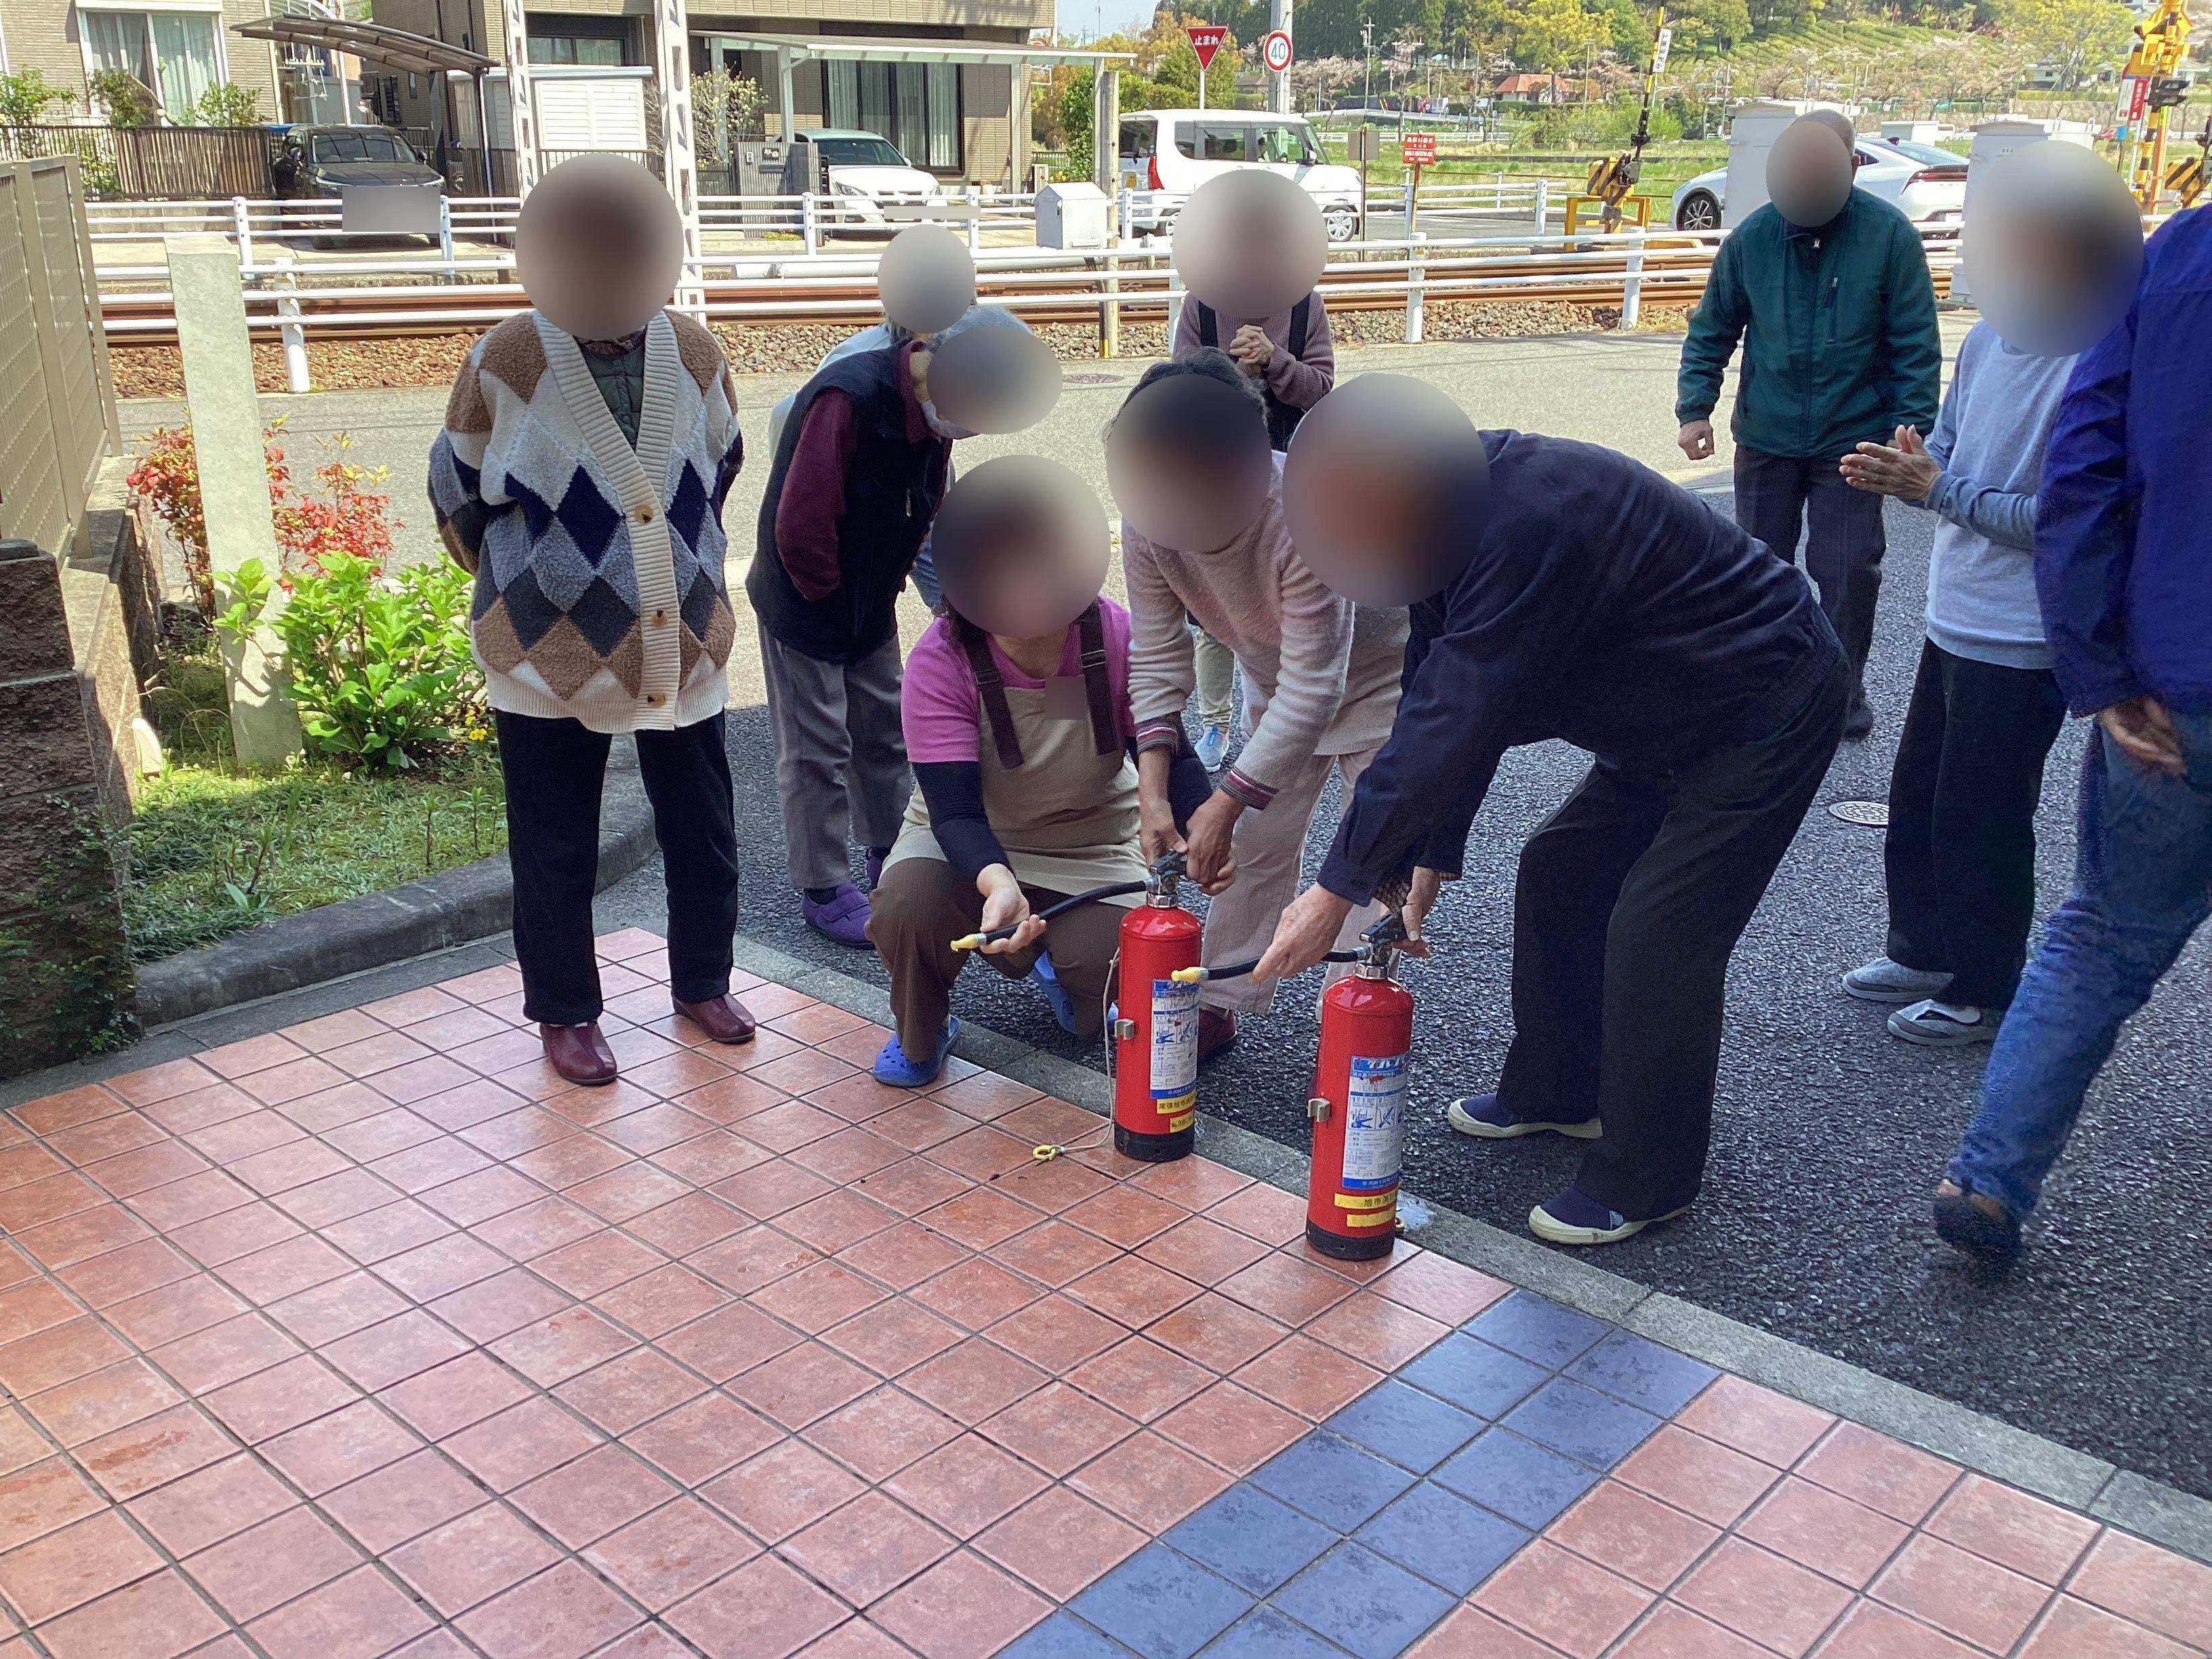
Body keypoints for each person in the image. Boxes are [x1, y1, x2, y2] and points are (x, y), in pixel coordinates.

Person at [1256, 377, 1849, 1247]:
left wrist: (1336, 887)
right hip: (1660, 716)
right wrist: (1423, 854)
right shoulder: (1431, 512)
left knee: (1659, 932)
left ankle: (1648, 1177)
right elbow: (1434, 689)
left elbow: (1465, 707)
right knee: (1561, 868)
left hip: (1763, 705)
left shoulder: (1528, 521)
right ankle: (1560, 1090)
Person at [427, 156, 754, 1086]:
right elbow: (457, 492)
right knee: (554, 844)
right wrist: (539, 582)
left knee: (705, 831)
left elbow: (721, 466)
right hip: (543, 651)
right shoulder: (505, 358)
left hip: (681, 638)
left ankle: (703, 982)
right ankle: (566, 1013)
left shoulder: (697, 353)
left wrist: (669, 565)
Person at [1935, 207, 2212, 1265]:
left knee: (2103, 934)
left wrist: (2101, 672)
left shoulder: (2172, 259)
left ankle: (1987, 1182)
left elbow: (2081, 472)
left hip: (2175, 678)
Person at [866, 465, 1213, 1084]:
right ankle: (923, 1028)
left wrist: (1206, 828)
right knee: (907, 904)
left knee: (1120, 965)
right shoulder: (941, 662)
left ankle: (1062, 964)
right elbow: (955, 813)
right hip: (967, 839)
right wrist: (998, 880)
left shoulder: (1115, 636)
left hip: (1093, 839)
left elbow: (1174, 757)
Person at [1118, 354, 1406, 1061]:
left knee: (1372, 854)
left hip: (1383, 678)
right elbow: (1156, 655)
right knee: (1255, 842)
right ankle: (1220, 999)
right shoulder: (1149, 519)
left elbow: (1318, 686)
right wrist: (1152, 793)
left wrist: (1220, 805)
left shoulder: (1304, 514)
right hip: (1274, 679)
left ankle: (1351, 1022)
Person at [747, 305, 1031, 947]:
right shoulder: (848, 396)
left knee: (883, 730)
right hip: (805, 598)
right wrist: (830, 605)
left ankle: (889, 854)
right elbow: (800, 525)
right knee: (817, 745)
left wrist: (940, 598)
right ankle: (822, 886)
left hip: (870, 595)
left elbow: (930, 512)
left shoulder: (936, 414)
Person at [1838, 325, 2076, 1046]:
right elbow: (1944, 454)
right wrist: (1906, 471)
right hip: (1954, 613)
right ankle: (1925, 950)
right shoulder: (1987, 339)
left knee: (1984, 816)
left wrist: (1938, 488)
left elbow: (2069, 519)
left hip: (2025, 631)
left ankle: (1987, 989)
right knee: (1919, 798)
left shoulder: (2100, 355)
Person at [1676, 113, 1942, 741]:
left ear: (1850, 169)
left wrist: (1909, 433)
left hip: (1855, 441)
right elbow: (1713, 327)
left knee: (1848, 572)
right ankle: (1760, 687)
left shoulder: (1889, 237)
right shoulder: (1754, 238)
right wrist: (1694, 409)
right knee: (1756, 572)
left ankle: (1841, 693)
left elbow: (1915, 343)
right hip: (1765, 436)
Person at [1174, 285, 1336, 769]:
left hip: (1291, 478)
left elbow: (1322, 391)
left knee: (1286, 602)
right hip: (1214, 473)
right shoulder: (1201, 303)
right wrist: (1236, 373)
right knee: (1212, 609)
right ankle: (1215, 723)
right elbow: (1178, 390)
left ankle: (1282, 721)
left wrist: (1275, 360)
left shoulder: (1305, 303)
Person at [767, 314, 940, 609]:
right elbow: (804, 523)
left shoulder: (935, 363)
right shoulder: (858, 370)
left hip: (903, 509)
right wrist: (831, 601)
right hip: (858, 530)